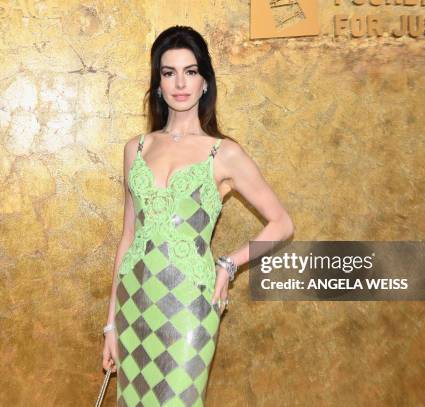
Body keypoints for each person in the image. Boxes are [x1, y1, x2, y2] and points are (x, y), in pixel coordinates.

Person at [101, 25, 294, 406]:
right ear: (158, 83)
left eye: (190, 71)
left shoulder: (223, 153)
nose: (180, 83)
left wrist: (228, 264)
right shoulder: (135, 149)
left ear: (205, 81)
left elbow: (283, 224)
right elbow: (128, 238)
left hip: (191, 301)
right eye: (169, 72)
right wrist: (111, 323)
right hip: (134, 301)